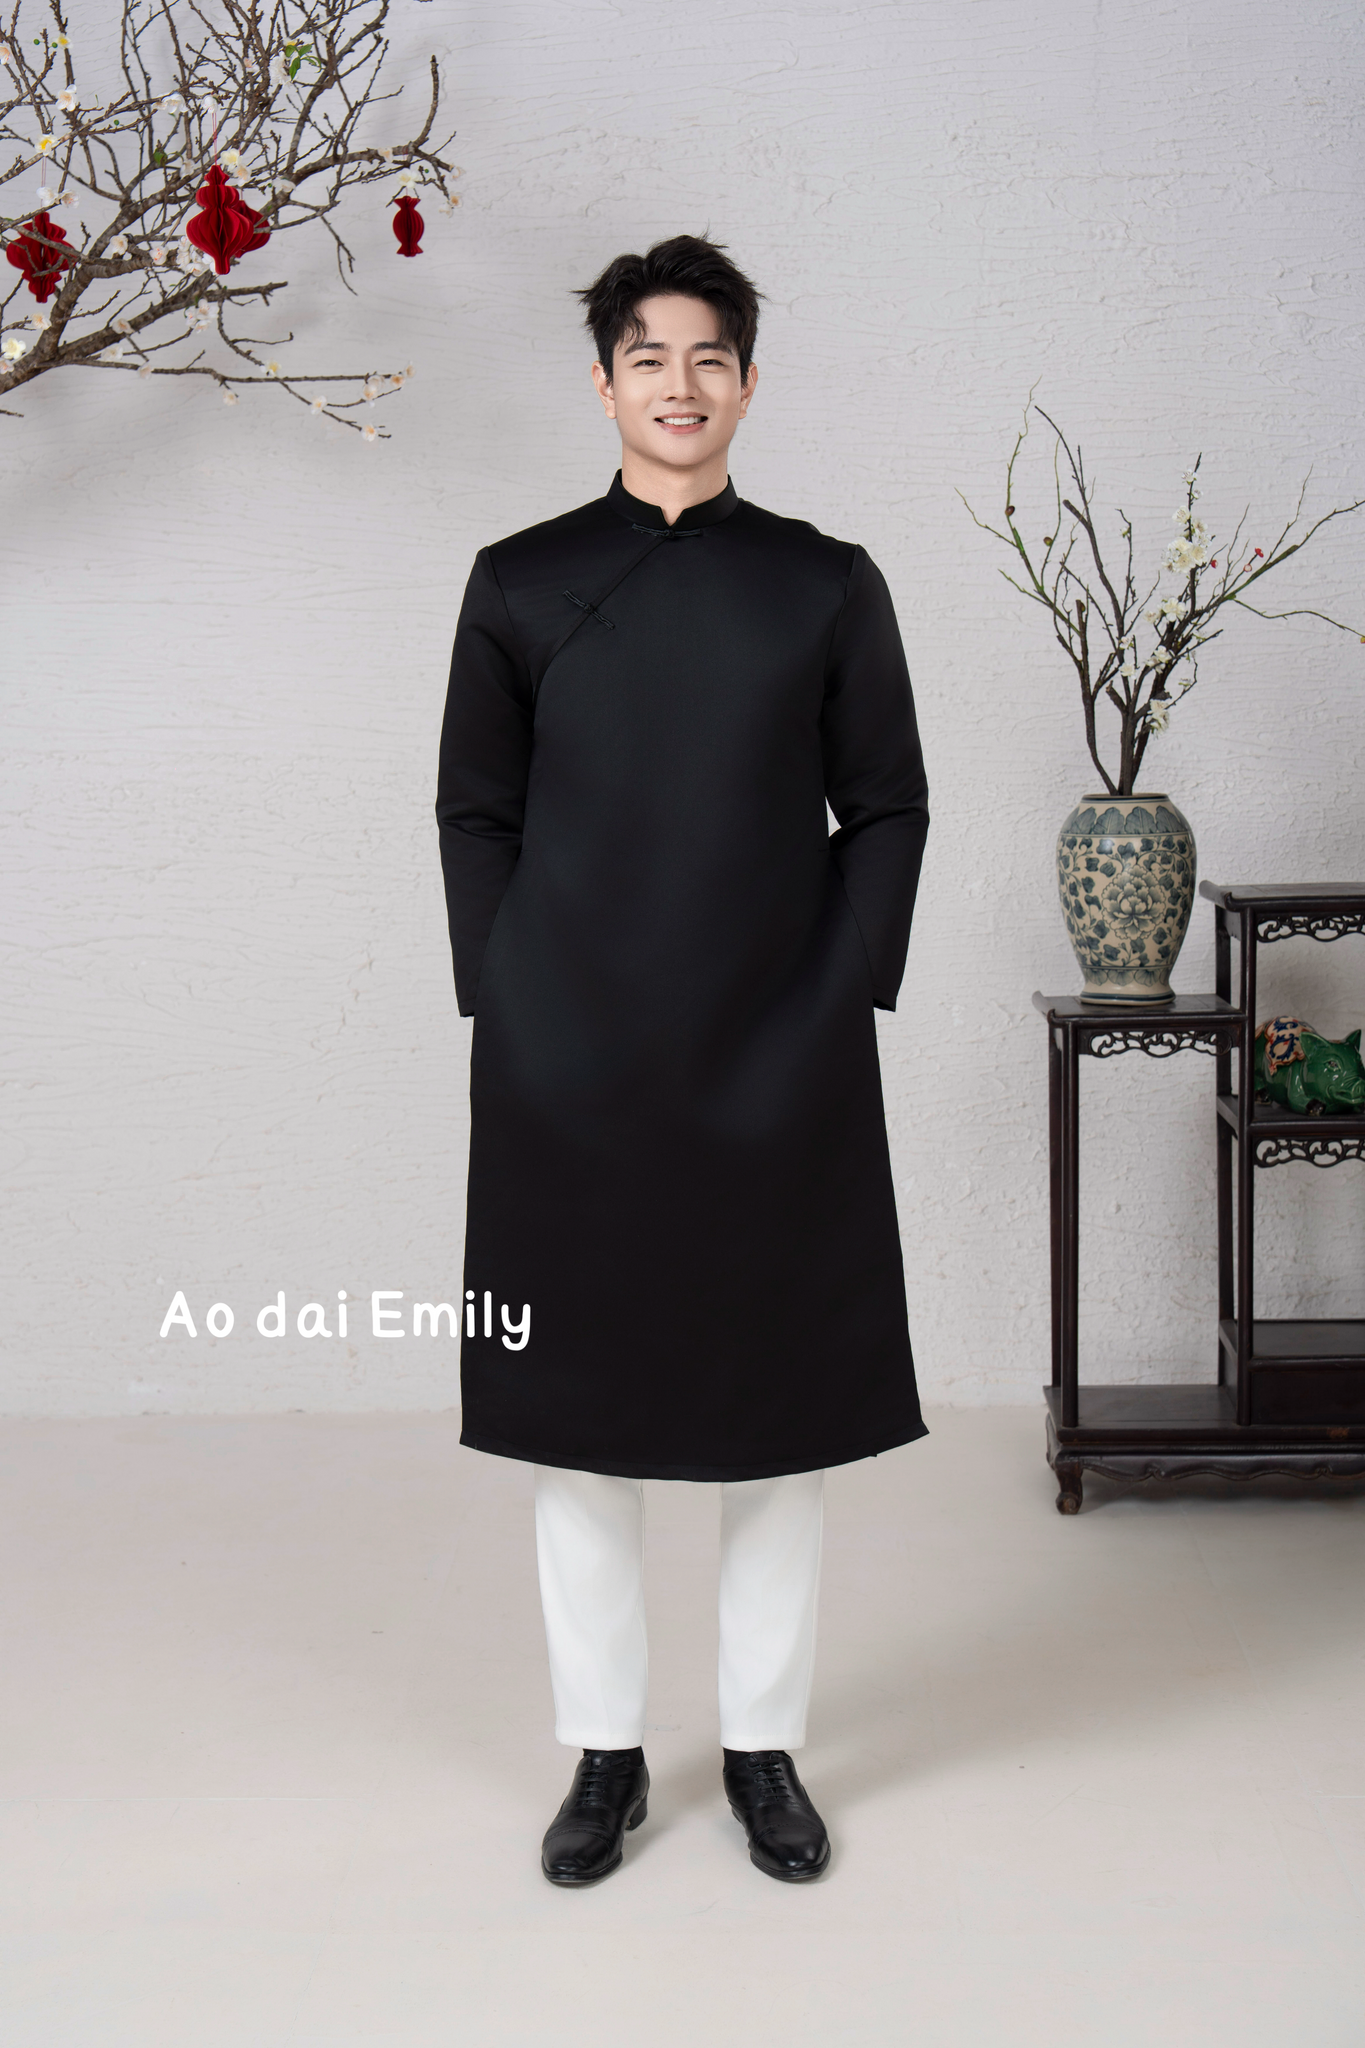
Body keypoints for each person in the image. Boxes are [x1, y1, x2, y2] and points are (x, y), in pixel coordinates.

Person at [435, 234, 930, 1886]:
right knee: (578, 1417)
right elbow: (475, 809)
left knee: (780, 1416)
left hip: (778, 1051)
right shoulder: (518, 580)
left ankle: (765, 1749)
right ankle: (603, 1755)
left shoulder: (823, 581)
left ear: (748, 383)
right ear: (604, 384)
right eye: (648, 356)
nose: (680, 383)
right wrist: (507, 987)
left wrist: (842, 981)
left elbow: (889, 802)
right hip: (568, 1059)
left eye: (710, 356)